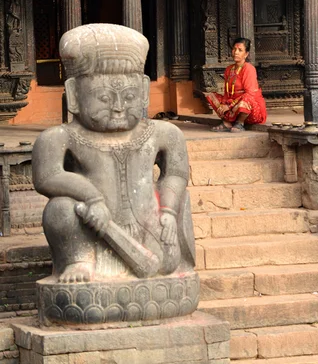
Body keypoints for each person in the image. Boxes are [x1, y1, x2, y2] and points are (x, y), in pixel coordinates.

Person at [32, 24, 195, 283]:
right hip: (92, 231)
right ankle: (80, 261)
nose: (119, 107)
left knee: (167, 266)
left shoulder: (164, 133)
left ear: (143, 90)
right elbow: (47, 176)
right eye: (104, 99)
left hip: (149, 229)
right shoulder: (59, 137)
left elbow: (175, 173)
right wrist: (92, 198)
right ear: (74, 94)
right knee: (60, 209)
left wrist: (168, 212)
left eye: (129, 96)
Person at [206, 37, 267, 132]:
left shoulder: (248, 68)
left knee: (247, 98)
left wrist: (230, 106)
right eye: (234, 49)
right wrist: (224, 104)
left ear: (246, 54)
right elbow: (227, 93)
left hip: (250, 111)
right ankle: (227, 122)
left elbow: (250, 93)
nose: (236, 52)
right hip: (233, 105)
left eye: (240, 50)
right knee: (211, 96)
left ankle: (240, 122)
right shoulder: (229, 69)